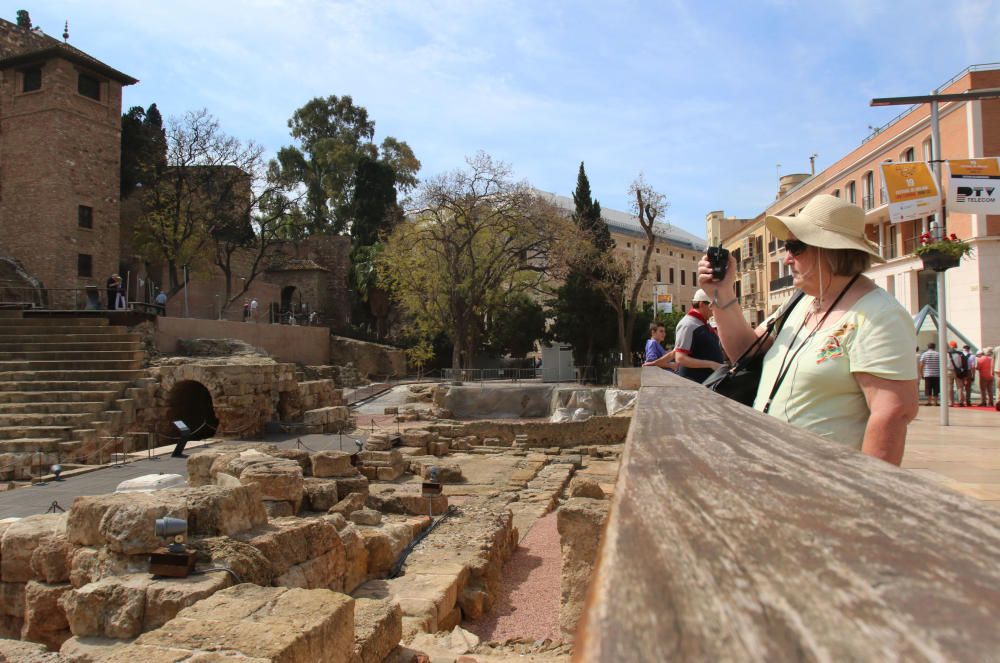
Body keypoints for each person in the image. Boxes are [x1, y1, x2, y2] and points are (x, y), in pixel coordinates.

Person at [698, 194, 917, 465]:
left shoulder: (879, 315)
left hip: (826, 483)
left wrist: (867, 495)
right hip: (774, 471)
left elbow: (892, 413)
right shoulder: (802, 303)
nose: (787, 258)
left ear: (829, 249)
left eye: (795, 247)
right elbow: (744, 350)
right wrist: (721, 292)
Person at [673, 289, 725, 383]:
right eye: (711, 305)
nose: (714, 309)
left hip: (707, 382)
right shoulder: (687, 324)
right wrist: (711, 364)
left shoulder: (703, 323)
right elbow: (680, 358)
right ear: (701, 304)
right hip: (694, 384)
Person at [947, 341, 969, 406]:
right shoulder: (960, 354)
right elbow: (963, 364)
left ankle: (951, 402)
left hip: (948, 371)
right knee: (960, 387)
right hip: (958, 371)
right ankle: (961, 401)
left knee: (950, 387)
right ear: (956, 346)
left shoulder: (946, 354)